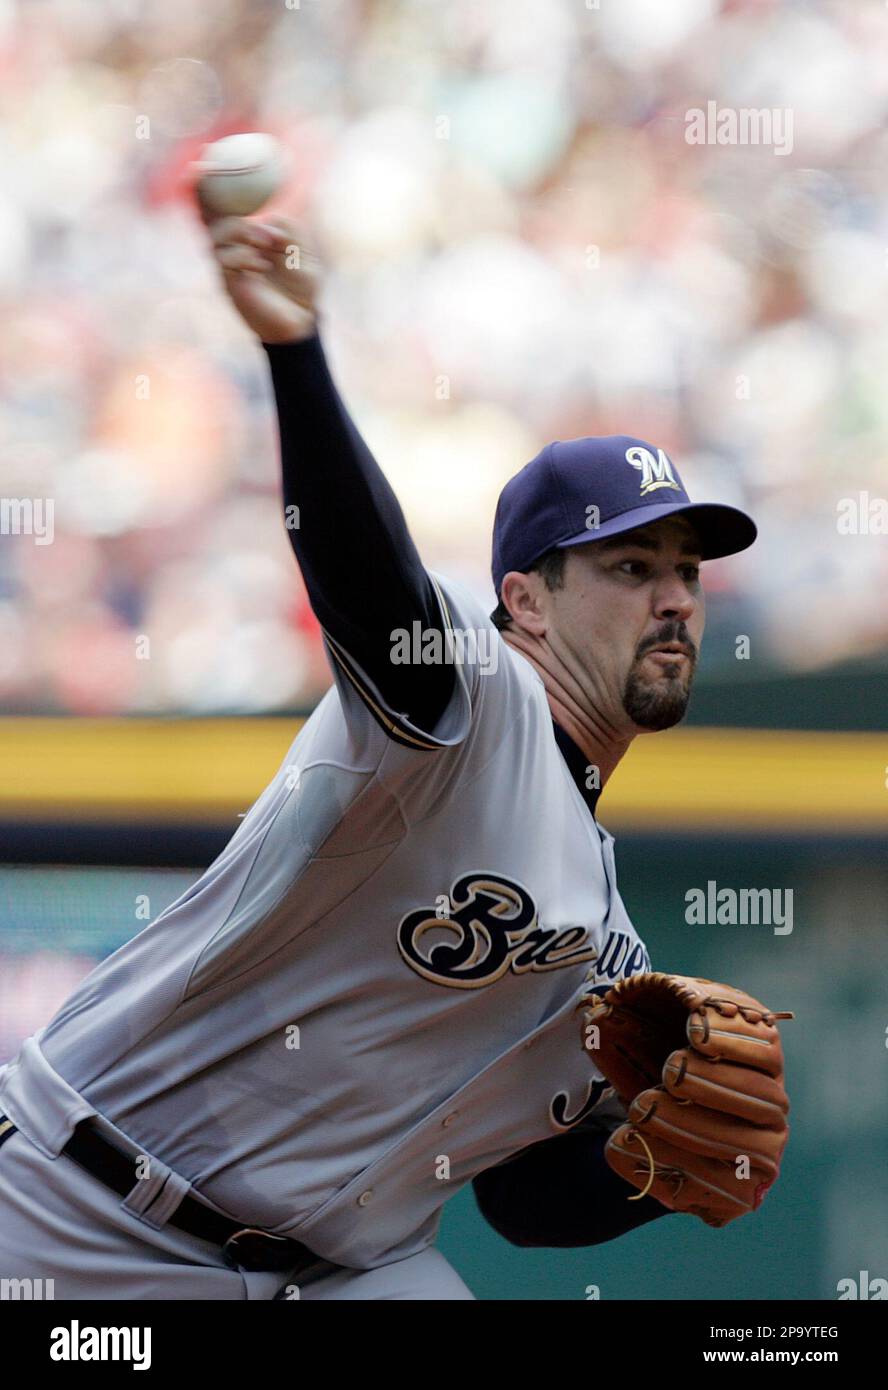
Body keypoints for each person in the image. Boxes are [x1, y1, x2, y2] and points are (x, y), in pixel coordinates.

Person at [0, 209, 768, 1301]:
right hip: (85, 1212)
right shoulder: (471, 702)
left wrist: (653, 1169)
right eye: (631, 565)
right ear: (525, 602)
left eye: (687, 571)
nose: (675, 597)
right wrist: (297, 355)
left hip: (341, 1271)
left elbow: (523, 1202)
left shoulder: (614, 947)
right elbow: (365, 579)